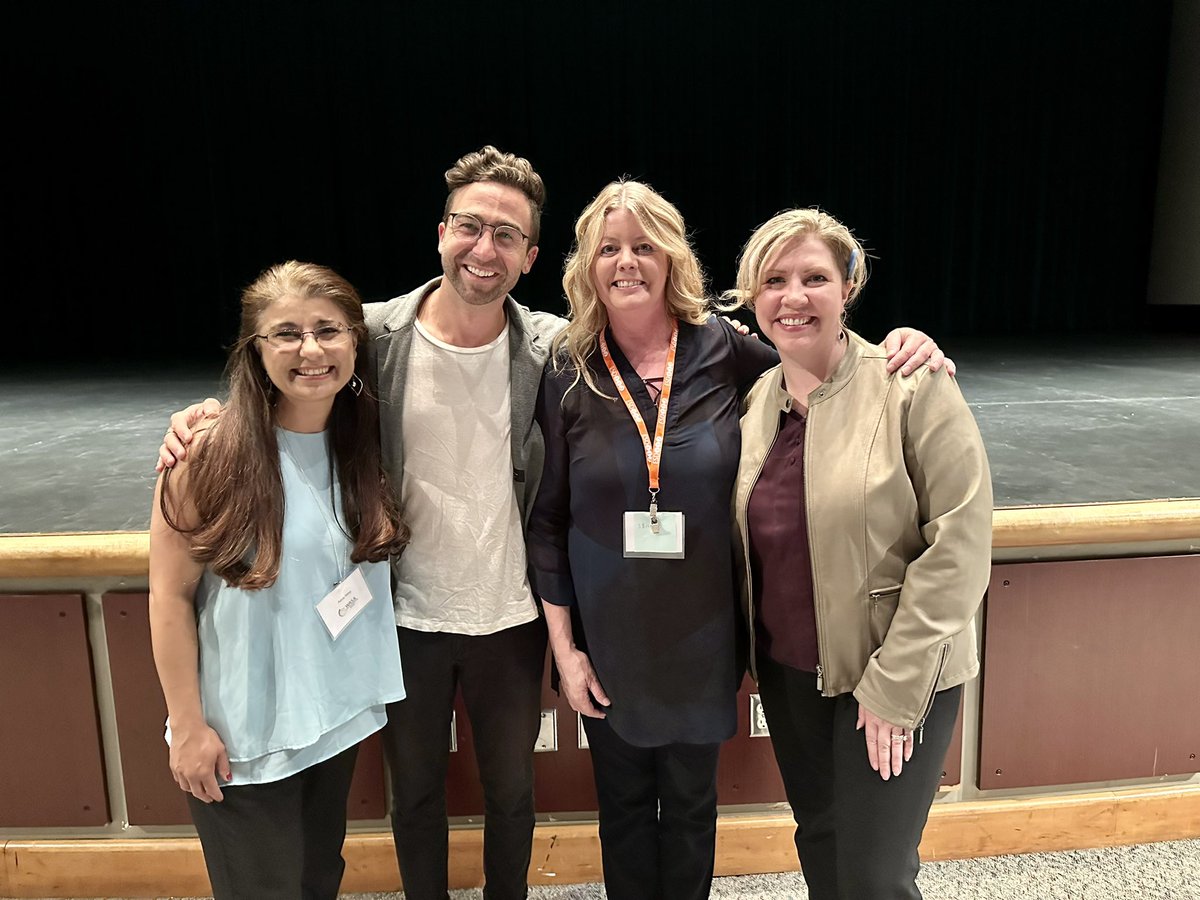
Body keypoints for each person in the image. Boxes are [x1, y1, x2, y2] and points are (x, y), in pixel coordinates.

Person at [158, 148, 944, 900]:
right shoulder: (417, 341)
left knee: (582, 802)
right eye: (469, 226)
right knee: (447, 801)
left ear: (533, 255)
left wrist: (897, 345)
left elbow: (809, 358)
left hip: (600, 626)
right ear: (443, 233)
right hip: (457, 622)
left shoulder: (637, 350)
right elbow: (296, 353)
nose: (483, 247)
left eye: (506, 234)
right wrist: (210, 419)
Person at [525, 182, 953, 900]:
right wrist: (565, 653)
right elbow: (549, 521)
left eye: (644, 246)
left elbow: (825, 364)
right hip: (607, 640)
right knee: (624, 814)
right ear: (587, 266)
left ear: (671, 259)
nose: (627, 262)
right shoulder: (569, 370)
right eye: (609, 249)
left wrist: (901, 345)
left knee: (692, 812)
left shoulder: (721, 348)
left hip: (701, 637)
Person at [727, 208, 993, 900]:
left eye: (814, 277)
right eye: (774, 280)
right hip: (794, 678)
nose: (793, 297)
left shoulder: (912, 384)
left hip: (892, 671)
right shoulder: (757, 402)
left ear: (848, 286)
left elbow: (960, 543)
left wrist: (895, 686)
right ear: (752, 297)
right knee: (822, 845)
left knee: (874, 875)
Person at [149, 261, 408, 900]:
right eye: (286, 333)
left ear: (355, 340)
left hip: (329, 721)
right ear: (254, 349)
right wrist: (187, 727)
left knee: (318, 879)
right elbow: (168, 600)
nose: (312, 350)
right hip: (244, 739)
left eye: (329, 330)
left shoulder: (362, 444)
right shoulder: (206, 457)